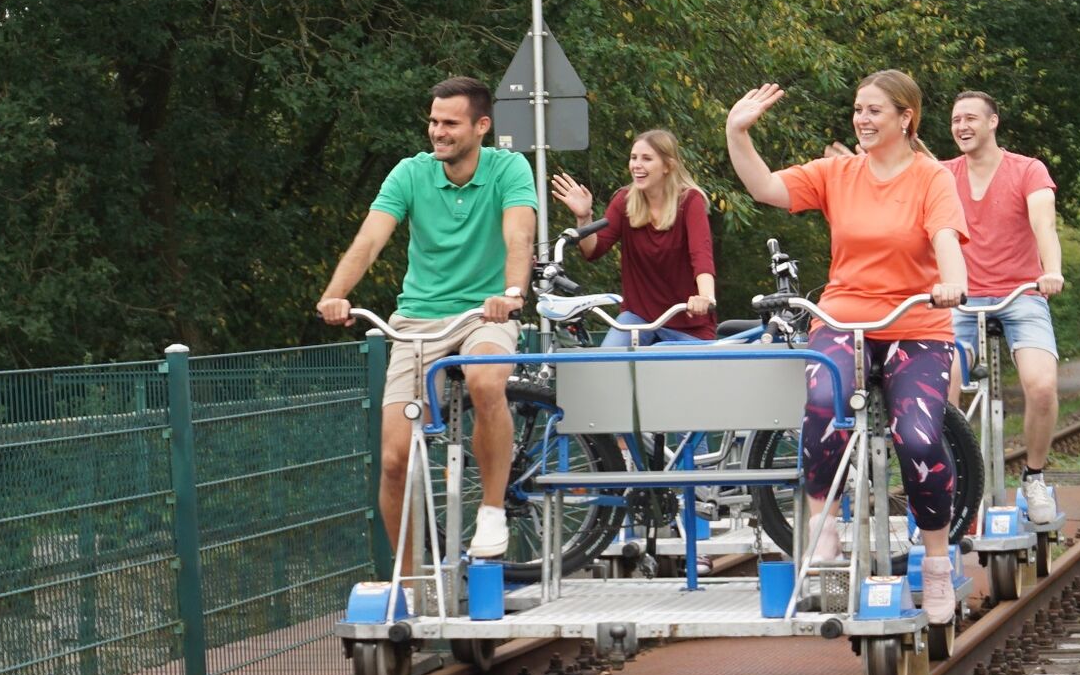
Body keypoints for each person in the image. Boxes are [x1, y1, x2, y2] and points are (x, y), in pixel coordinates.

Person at [725, 72, 969, 624]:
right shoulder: (838, 173)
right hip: (843, 317)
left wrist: (952, 282)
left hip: (915, 322)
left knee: (918, 436)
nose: (862, 119)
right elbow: (766, 188)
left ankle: (935, 562)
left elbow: (946, 240)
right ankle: (825, 526)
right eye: (858, 109)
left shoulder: (931, 178)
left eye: (874, 110)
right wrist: (737, 133)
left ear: (905, 118)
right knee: (820, 405)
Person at [318, 78, 537, 559]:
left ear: (481, 126)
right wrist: (335, 295)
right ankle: (411, 579)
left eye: (450, 123)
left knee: (485, 380)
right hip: (418, 321)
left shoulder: (508, 168)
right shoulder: (409, 173)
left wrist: (511, 294)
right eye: (434, 121)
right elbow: (370, 240)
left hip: (485, 312)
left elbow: (519, 236)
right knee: (394, 459)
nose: (438, 131)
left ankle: (492, 511)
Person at [944, 91, 1065, 529]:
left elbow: (1043, 225)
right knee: (939, 385)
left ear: (993, 122)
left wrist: (1051, 270)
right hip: (961, 298)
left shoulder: (1027, 170)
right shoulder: (943, 175)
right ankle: (949, 478)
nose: (962, 126)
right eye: (956, 120)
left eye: (971, 118)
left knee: (1042, 386)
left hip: (1021, 295)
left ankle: (1033, 477)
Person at [549, 131, 717, 344]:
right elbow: (593, 250)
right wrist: (584, 217)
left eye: (646, 159)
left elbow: (701, 256)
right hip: (638, 316)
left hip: (687, 320)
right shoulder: (624, 200)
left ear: (668, 166)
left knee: (680, 363)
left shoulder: (690, 201)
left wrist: (705, 297)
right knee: (608, 359)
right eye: (633, 158)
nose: (637, 165)